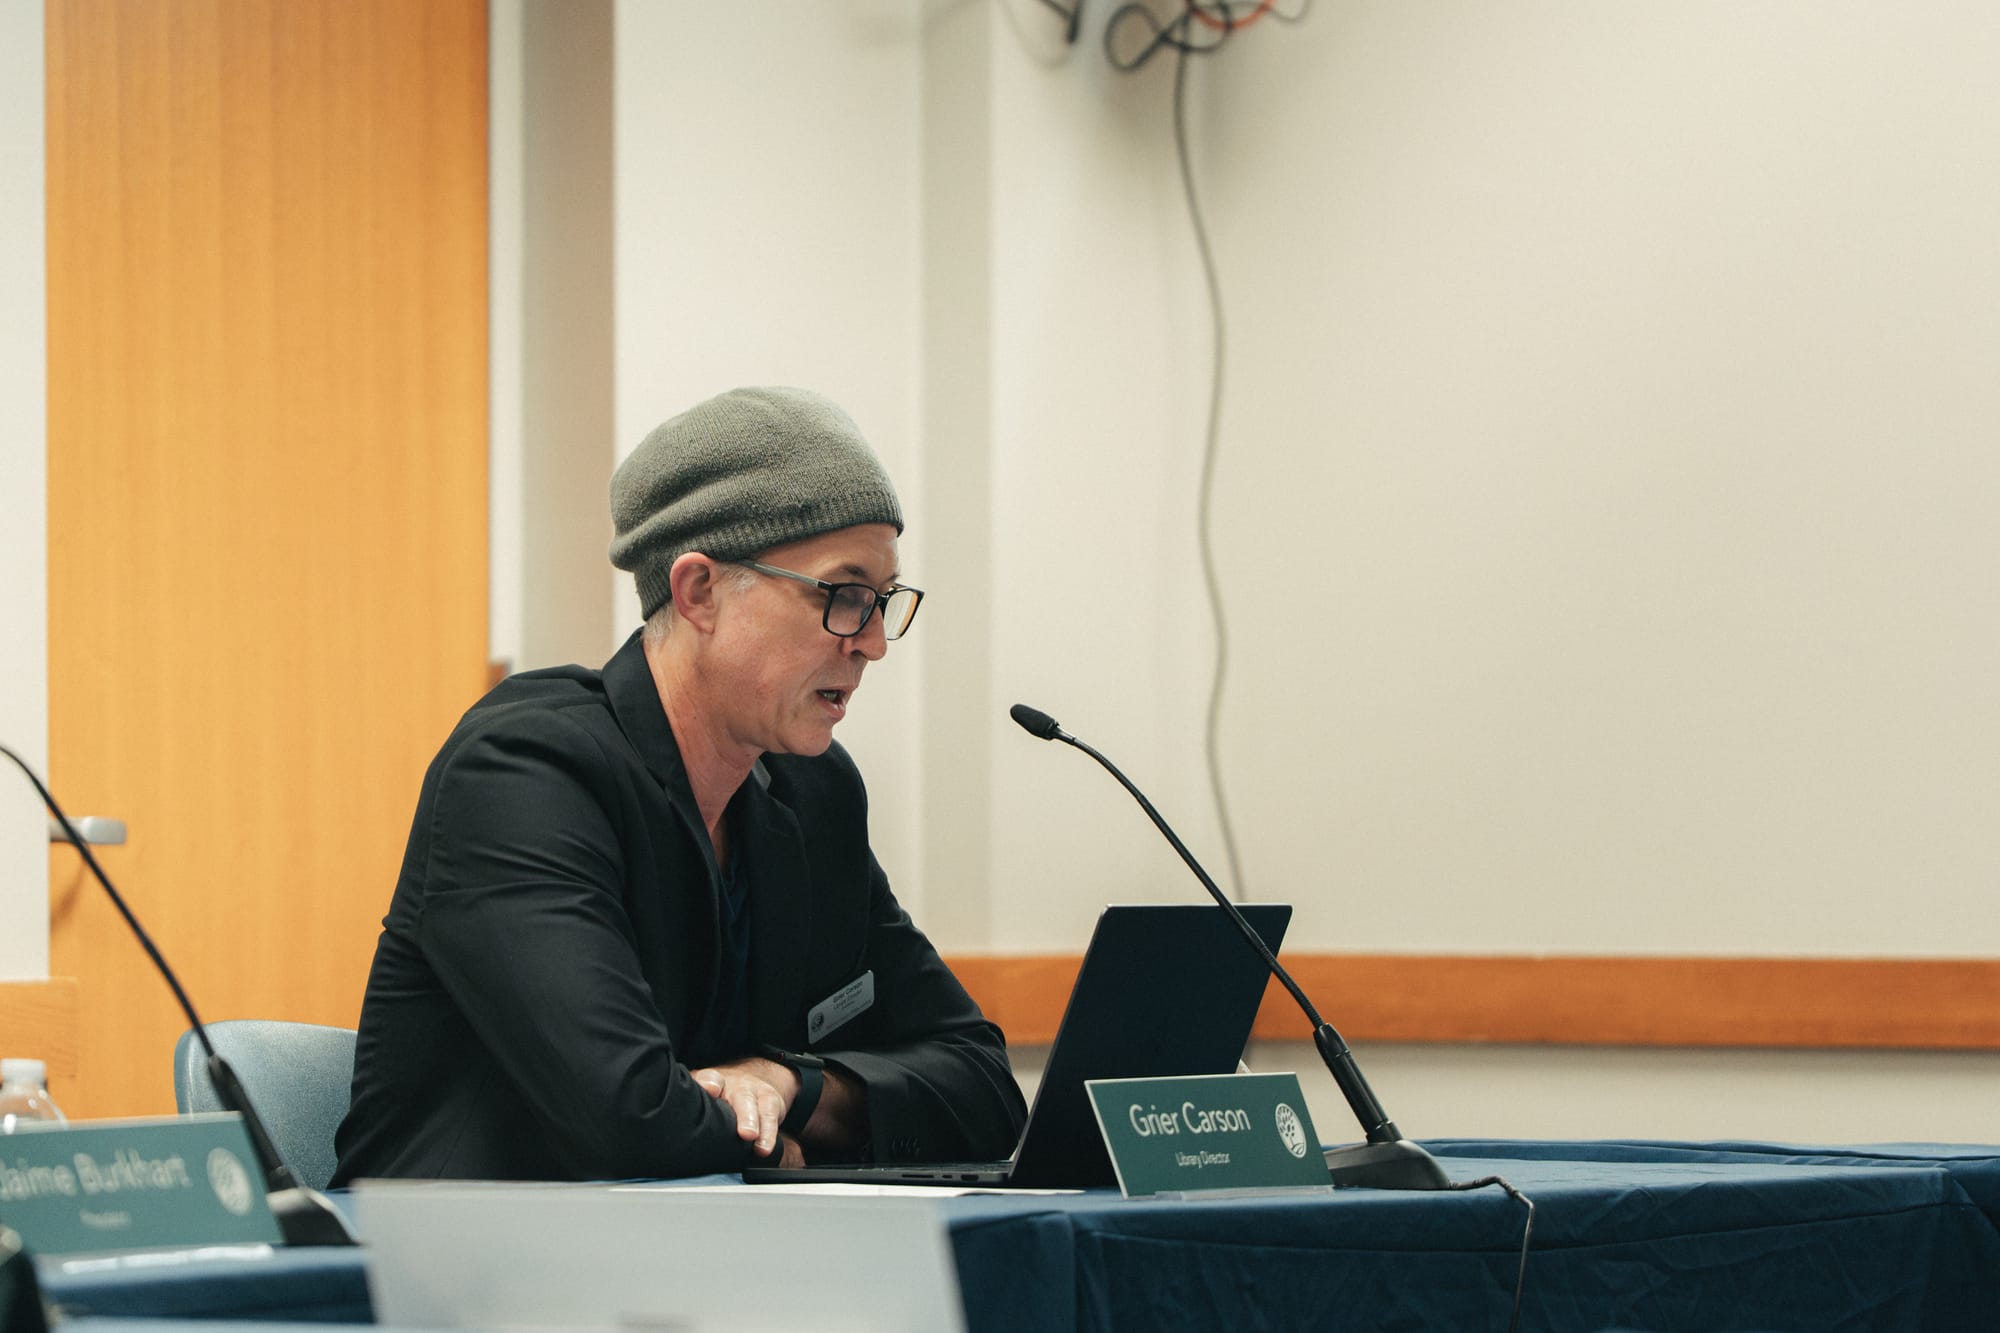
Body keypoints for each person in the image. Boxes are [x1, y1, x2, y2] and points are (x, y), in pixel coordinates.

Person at [331, 386, 1027, 1183]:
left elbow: (983, 1085)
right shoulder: (525, 773)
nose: (872, 641)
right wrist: (780, 1147)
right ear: (699, 591)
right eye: (842, 595)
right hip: (464, 1255)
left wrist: (792, 1085)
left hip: (704, 1250)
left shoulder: (814, 795)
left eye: (882, 601)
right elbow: (626, 1115)